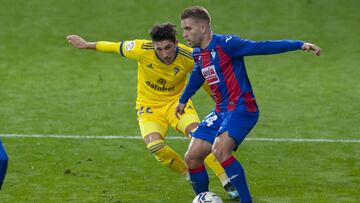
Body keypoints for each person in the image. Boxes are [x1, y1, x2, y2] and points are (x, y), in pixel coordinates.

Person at [67, 23, 239, 199]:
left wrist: (221, 102)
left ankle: (227, 180)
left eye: (168, 48)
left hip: (177, 104)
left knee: (199, 137)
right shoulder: (142, 48)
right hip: (149, 108)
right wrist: (87, 44)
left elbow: (203, 79)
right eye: (159, 49)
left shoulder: (189, 56)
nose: (164, 54)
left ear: (176, 43)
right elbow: (114, 46)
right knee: (155, 146)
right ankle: (188, 174)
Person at [175, 6, 321, 203]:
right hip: (220, 111)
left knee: (220, 150)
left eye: (188, 28)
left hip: (242, 107)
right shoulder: (197, 53)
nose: (184, 34)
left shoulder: (227, 44)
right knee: (192, 157)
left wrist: (298, 44)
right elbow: (197, 75)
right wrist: (183, 99)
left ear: (203, 28)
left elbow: (262, 46)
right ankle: (202, 199)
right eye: (183, 29)